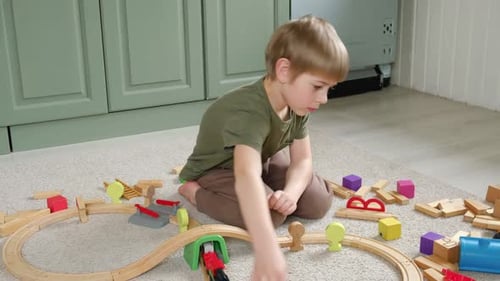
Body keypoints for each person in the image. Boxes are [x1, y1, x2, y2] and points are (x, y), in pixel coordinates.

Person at [178, 15, 349, 281]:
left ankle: (280, 192)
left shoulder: (299, 101)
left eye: (329, 89)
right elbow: (246, 175)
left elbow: (302, 161)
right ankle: (196, 193)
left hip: (262, 157)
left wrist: (290, 194)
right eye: (317, 86)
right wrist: (266, 248)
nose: (323, 98)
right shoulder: (250, 111)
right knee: (270, 217)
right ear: (284, 71)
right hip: (220, 167)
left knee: (316, 201)